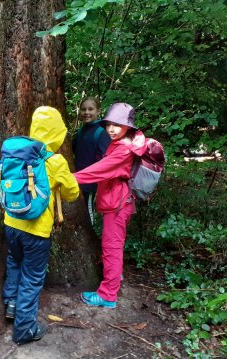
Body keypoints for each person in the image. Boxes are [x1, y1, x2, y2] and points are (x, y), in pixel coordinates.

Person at [0, 107, 79, 345]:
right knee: (33, 276)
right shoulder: (55, 161)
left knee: (14, 262)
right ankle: (24, 329)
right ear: (58, 132)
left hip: (11, 224)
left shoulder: (16, 157)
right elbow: (72, 193)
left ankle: (11, 305)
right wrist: (60, 189)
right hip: (37, 231)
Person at [73, 103, 147, 308]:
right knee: (111, 247)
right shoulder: (121, 143)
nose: (111, 129)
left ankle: (108, 295)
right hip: (116, 203)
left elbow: (101, 169)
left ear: (128, 126)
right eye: (108, 125)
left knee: (111, 248)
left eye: (117, 125)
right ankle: (114, 280)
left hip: (118, 205)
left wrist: (69, 179)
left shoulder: (124, 150)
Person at [72, 96, 111, 224]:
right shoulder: (81, 131)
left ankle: (91, 234)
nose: (86, 112)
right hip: (76, 178)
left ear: (98, 111)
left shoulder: (101, 133)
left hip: (90, 183)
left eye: (91, 109)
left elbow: (104, 161)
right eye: (83, 109)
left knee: (87, 212)